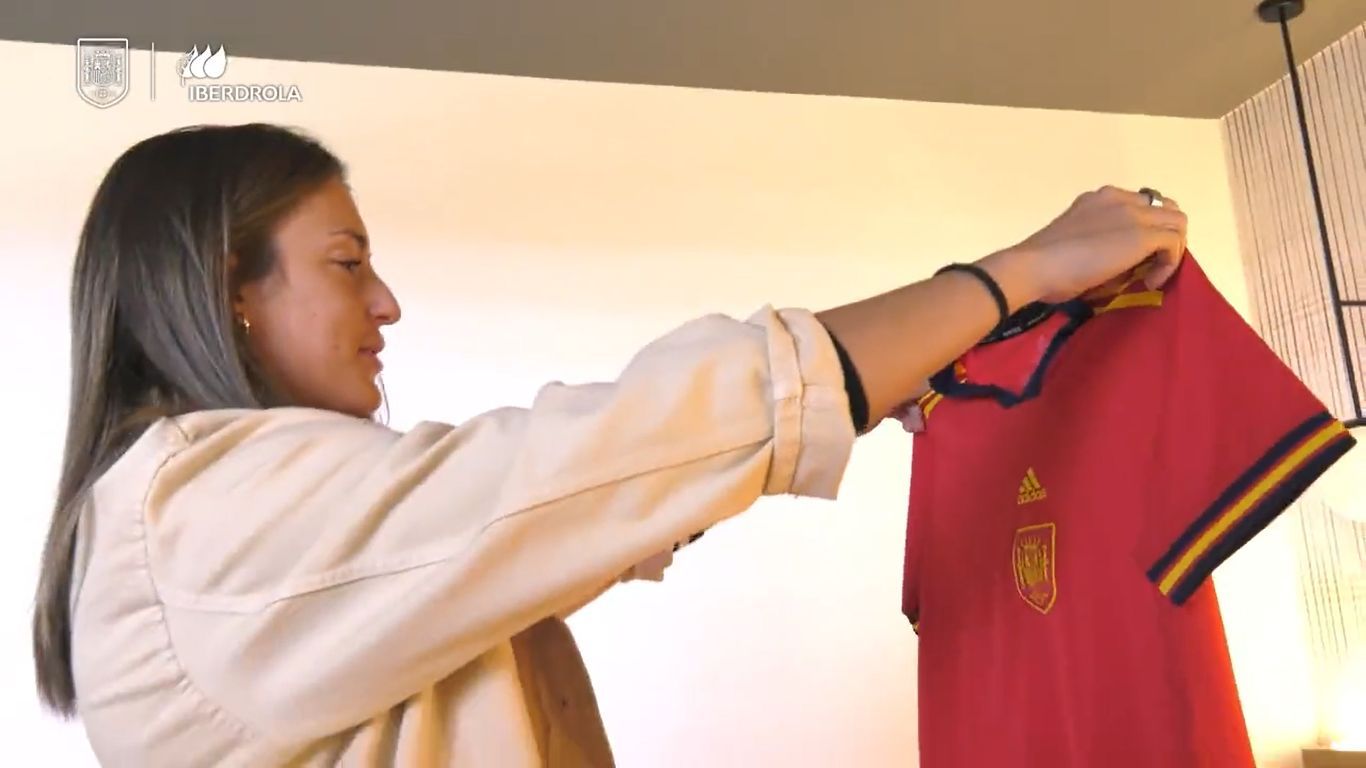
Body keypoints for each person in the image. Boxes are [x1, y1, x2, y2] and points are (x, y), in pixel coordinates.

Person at [31, 123, 1187, 766]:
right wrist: (1011, 275)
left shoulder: (210, 514)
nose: (385, 304)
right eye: (345, 262)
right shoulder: (204, 507)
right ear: (227, 287)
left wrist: (874, 372)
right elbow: (581, 468)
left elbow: (554, 520)